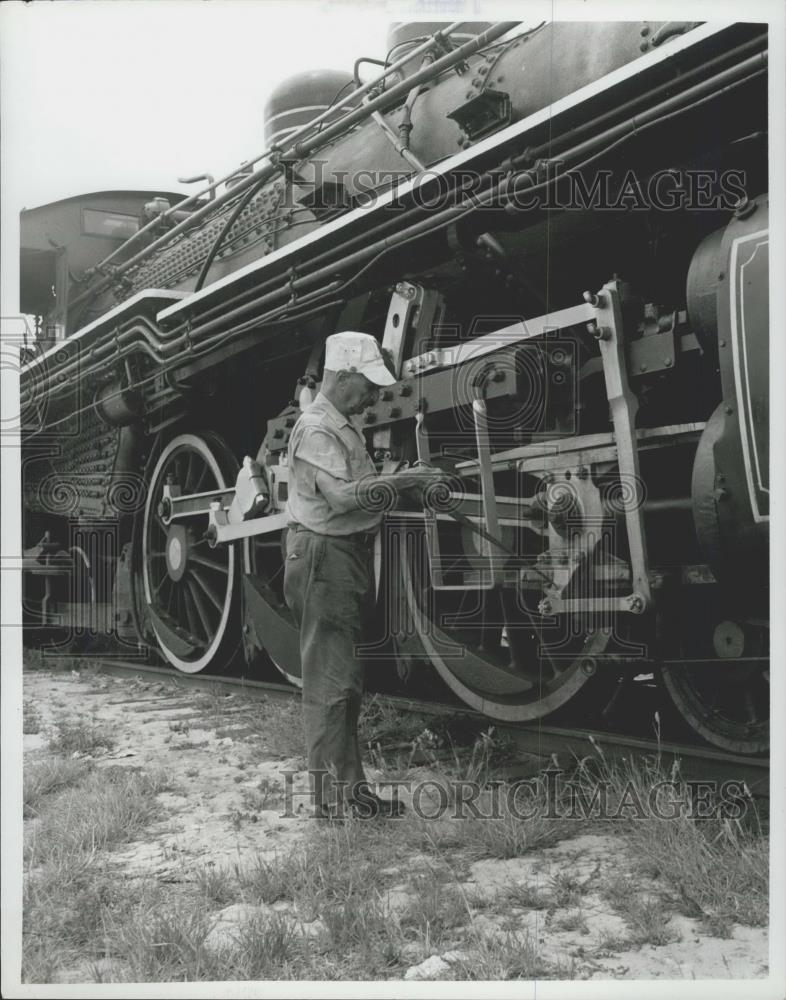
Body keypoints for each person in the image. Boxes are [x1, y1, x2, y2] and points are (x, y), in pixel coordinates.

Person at [283, 331, 445, 820]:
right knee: (330, 685)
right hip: (324, 557)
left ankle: (351, 795)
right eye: (368, 383)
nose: (375, 394)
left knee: (345, 682)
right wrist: (404, 483)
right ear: (344, 374)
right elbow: (342, 498)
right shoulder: (316, 427)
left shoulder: (340, 424)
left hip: (341, 556)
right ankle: (331, 804)